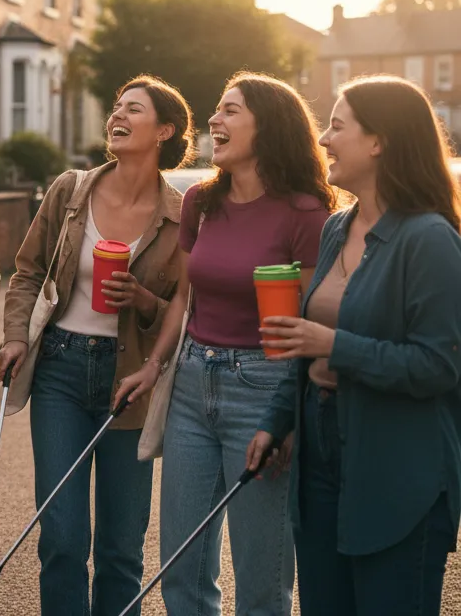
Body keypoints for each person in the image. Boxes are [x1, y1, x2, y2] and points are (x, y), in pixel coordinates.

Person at [115, 72, 334, 616]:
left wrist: (285, 416)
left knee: (262, 585)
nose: (214, 120)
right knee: (181, 574)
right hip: (191, 384)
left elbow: (305, 324)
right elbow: (185, 301)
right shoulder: (200, 202)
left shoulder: (307, 213)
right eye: (217, 109)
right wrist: (155, 365)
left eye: (231, 111)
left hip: (263, 388)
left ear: (270, 126)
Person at [247, 76, 461, 615]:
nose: (322, 139)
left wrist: (334, 344)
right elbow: (304, 343)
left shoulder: (431, 239)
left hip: (397, 470)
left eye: (337, 126)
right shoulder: (336, 229)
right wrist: (277, 420)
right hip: (319, 453)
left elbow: (439, 365)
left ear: (379, 141)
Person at [0, 75, 194, 616]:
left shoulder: (181, 217)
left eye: (135, 108)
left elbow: (182, 309)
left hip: (128, 380)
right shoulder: (71, 189)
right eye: (117, 106)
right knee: (61, 537)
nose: (119, 115)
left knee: (120, 548)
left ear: (165, 130)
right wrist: (16, 337)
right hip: (60, 368)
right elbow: (27, 271)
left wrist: (142, 297)